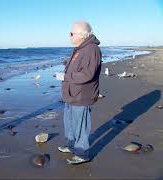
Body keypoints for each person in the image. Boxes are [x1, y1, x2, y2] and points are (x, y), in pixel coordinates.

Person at [55, 21, 102, 164]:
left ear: (82, 35)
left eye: (71, 33)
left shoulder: (91, 49)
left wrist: (65, 76)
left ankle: (82, 154)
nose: (69, 36)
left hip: (82, 95)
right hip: (71, 94)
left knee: (80, 125)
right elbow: (79, 67)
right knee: (69, 122)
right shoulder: (80, 48)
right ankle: (70, 145)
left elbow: (88, 74)